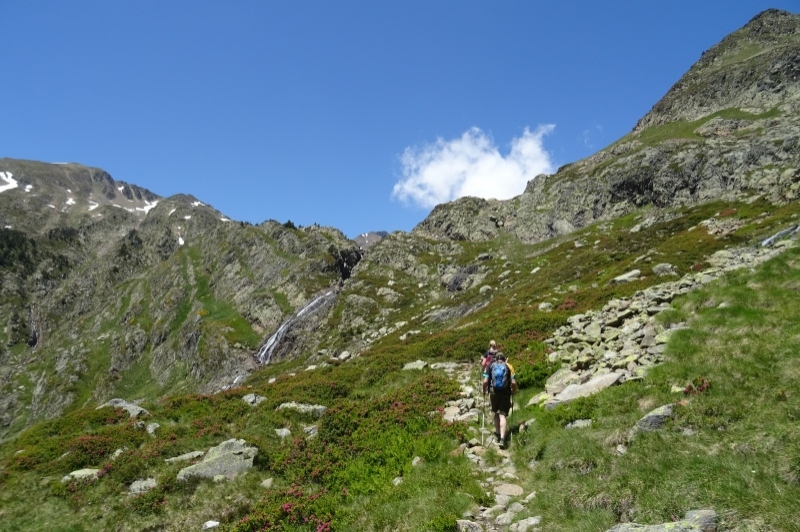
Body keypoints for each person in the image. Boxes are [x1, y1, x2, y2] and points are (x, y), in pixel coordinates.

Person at [482, 352, 517, 448]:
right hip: (505, 392)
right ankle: (502, 439)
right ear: (505, 359)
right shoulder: (509, 366)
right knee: (503, 415)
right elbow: (513, 382)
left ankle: (497, 433)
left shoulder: (490, 365)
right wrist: (513, 391)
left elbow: (485, 381)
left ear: (496, 358)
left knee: (496, 412)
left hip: (493, 392)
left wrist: (484, 391)